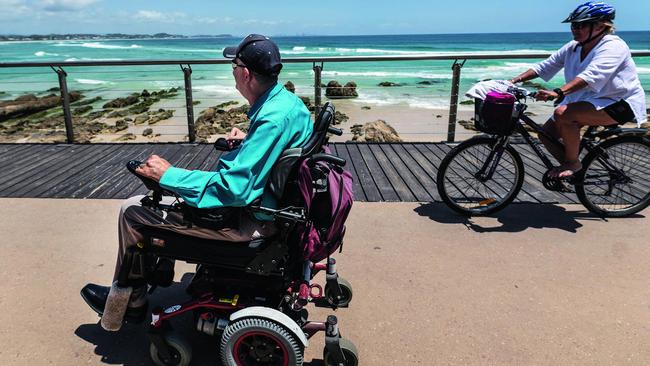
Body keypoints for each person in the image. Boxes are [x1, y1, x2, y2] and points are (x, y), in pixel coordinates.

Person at [81, 34, 314, 324]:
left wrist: (168, 175)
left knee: (132, 209)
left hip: (250, 222)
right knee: (171, 197)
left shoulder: (271, 120)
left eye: (234, 66)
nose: (233, 72)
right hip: (272, 209)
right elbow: (280, 149)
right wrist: (250, 142)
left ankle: (129, 302)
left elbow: (234, 190)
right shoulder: (289, 104)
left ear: (244, 74)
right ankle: (158, 269)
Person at [509, 1, 646, 178]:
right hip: (588, 101)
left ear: (599, 26)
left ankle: (572, 163)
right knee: (545, 134)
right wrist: (513, 81)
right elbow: (546, 66)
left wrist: (558, 92)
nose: (575, 29)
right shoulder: (574, 46)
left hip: (618, 103)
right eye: (574, 25)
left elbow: (592, 76)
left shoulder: (613, 46)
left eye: (581, 25)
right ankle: (575, 170)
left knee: (563, 114)